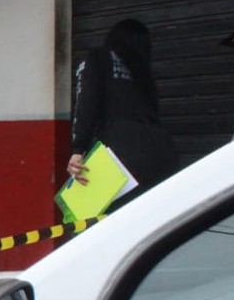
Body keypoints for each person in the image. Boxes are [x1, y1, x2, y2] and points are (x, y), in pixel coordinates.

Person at [68, 18, 179, 206]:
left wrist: (79, 149)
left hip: (119, 155)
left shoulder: (97, 58)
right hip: (163, 155)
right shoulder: (144, 73)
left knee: (101, 220)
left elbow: (86, 101)